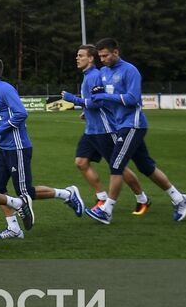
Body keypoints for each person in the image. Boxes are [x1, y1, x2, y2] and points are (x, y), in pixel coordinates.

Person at [85, 39, 186, 224]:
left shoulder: (130, 70)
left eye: (105, 55)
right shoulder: (103, 72)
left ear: (116, 52)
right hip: (120, 124)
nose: (102, 60)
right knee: (146, 167)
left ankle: (107, 210)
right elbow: (104, 98)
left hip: (133, 124)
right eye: (100, 56)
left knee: (116, 164)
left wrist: (104, 95)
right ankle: (179, 198)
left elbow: (132, 98)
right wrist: (97, 97)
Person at [0, 56, 84, 240]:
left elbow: (21, 114)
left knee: (25, 192)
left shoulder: (4, 88)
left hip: (17, 147)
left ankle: (67, 194)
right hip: (4, 147)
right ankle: (14, 228)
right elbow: (2, 119)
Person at [60, 45, 148, 213]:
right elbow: (93, 102)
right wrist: (85, 112)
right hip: (91, 129)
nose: (77, 58)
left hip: (105, 129)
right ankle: (101, 198)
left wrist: (74, 100)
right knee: (81, 162)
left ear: (90, 58)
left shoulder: (95, 76)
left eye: (80, 55)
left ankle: (142, 198)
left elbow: (98, 102)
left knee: (118, 166)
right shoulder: (87, 76)